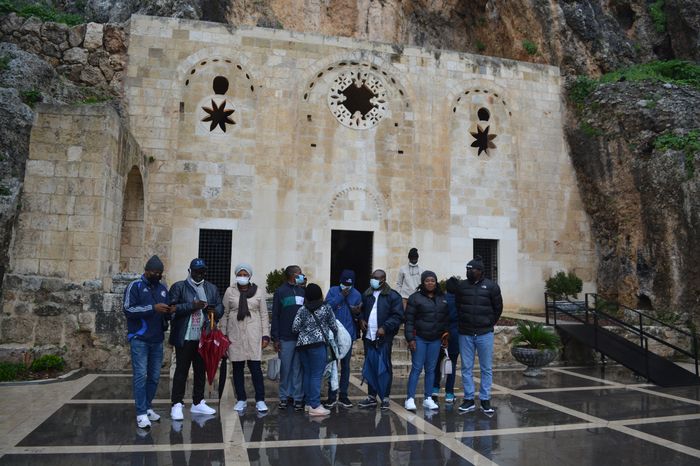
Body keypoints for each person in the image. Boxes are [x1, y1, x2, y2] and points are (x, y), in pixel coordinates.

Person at [168, 258, 224, 421]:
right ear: (190, 271)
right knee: (181, 370)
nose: (199, 274)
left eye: (202, 271)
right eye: (196, 271)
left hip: (203, 337)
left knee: (201, 370)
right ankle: (177, 403)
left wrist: (215, 311)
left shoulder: (211, 288)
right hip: (185, 336)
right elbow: (172, 309)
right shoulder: (179, 287)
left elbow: (220, 306)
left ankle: (198, 401)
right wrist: (193, 306)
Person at [446, 257, 503, 414]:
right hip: (465, 333)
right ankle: (469, 399)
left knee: (486, 368)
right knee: (466, 368)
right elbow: (458, 306)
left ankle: (485, 399)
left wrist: (489, 323)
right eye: (467, 269)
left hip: (485, 333)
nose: (468, 271)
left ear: (480, 271)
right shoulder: (462, 287)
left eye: (471, 269)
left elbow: (498, 308)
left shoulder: (491, 287)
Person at [123, 255, 172, 429]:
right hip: (140, 339)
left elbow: (165, 312)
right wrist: (153, 308)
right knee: (140, 375)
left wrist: (169, 311)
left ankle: (148, 407)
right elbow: (128, 309)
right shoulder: (135, 286)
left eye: (160, 273)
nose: (157, 275)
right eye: (154, 272)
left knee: (155, 376)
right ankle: (141, 413)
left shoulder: (163, 289)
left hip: (157, 339)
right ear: (146, 271)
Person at [220, 263, 270, 414]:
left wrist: (265, 334)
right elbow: (224, 314)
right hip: (235, 334)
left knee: (255, 368)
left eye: (245, 275)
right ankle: (241, 399)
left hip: (253, 334)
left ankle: (260, 400)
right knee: (237, 368)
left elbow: (264, 314)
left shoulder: (258, 291)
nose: (242, 277)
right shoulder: (230, 291)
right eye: (240, 274)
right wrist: (223, 334)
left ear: (249, 276)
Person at [358, 269, 403, 410]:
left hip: (383, 338)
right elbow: (361, 310)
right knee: (370, 366)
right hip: (369, 337)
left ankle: (385, 397)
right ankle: (371, 397)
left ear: (383, 280)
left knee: (384, 367)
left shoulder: (393, 296)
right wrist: (361, 320)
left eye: (376, 278)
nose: (373, 280)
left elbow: (398, 316)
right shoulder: (367, 294)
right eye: (372, 277)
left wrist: (385, 327)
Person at [404, 270, 449, 411]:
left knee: (431, 369)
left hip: (435, 339)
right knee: (417, 368)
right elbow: (409, 321)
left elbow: (445, 319)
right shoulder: (415, 298)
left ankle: (428, 398)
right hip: (419, 338)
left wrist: (445, 335)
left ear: (436, 282)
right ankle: (410, 398)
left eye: (433, 280)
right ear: (423, 282)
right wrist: (410, 339)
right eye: (427, 280)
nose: (430, 283)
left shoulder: (442, 298)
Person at [292, 283, 338, 416]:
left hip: (302, 346)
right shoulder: (326, 308)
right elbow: (334, 326)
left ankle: (308, 403)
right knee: (316, 375)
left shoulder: (302, 309)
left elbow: (294, 328)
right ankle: (315, 405)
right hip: (318, 345)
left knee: (307, 373)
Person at [323, 269, 362, 409]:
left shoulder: (357, 294)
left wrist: (358, 313)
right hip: (332, 335)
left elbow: (359, 314)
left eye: (349, 285)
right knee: (332, 365)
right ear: (340, 282)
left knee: (345, 366)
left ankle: (343, 395)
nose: (346, 286)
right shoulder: (333, 291)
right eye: (344, 284)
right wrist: (340, 296)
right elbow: (326, 307)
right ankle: (331, 396)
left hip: (348, 336)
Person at [271, 265, 306, 411]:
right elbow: (275, 315)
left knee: (298, 369)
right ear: (293, 275)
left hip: (301, 338)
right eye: (300, 274)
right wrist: (275, 338)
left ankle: (297, 397)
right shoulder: (280, 292)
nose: (302, 276)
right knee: (285, 369)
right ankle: (284, 397)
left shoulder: (303, 291)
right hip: (285, 338)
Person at [432, 288, 460, 403]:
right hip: (455, 335)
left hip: (440, 334)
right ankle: (449, 393)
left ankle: (434, 390)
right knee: (451, 363)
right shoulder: (460, 300)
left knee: (437, 363)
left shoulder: (440, 299)